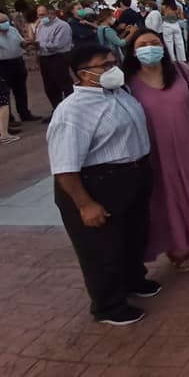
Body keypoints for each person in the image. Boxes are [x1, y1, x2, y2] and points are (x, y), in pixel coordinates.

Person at [47, 43, 158, 325]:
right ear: (83, 74)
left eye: (114, 63)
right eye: (104, 66)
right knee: (101, 248)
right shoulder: (72, 111)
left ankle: (134, 279)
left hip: (131, 176)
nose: (113, 69)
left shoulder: (119, 93)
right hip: (97, 183)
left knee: (133, 236)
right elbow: (64, 167)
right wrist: (85, 204)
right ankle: (108, 305)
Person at [124, 29, 189, 272]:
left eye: (154, 43)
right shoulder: (127, 81)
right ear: (133, 51)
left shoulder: (180, 71)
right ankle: (175, 248)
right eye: (143, 44)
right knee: (164, 198)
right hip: (154, 150)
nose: (149, 47)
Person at [0, 11, 40, 122]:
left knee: (21, 90)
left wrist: (28, 43)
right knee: (4, 92)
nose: (6, 24)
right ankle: (8, 119)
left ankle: (25, 113)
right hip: (2, 65)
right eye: (2, 22)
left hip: (17, 62)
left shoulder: (12, 30)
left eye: (6, 21)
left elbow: (21, 42)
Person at [35, 4, 74, 117]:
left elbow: (57, 45)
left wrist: (39, 44)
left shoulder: (62, 26)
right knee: (49, 87)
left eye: (42, 15)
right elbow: (39, 40)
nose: (40, 17)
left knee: (64, 84)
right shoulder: (42, 25)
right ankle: (57, 109)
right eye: (38, 15)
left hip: (58, 57)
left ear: (51, 13)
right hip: (44, 58)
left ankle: (71, 110)